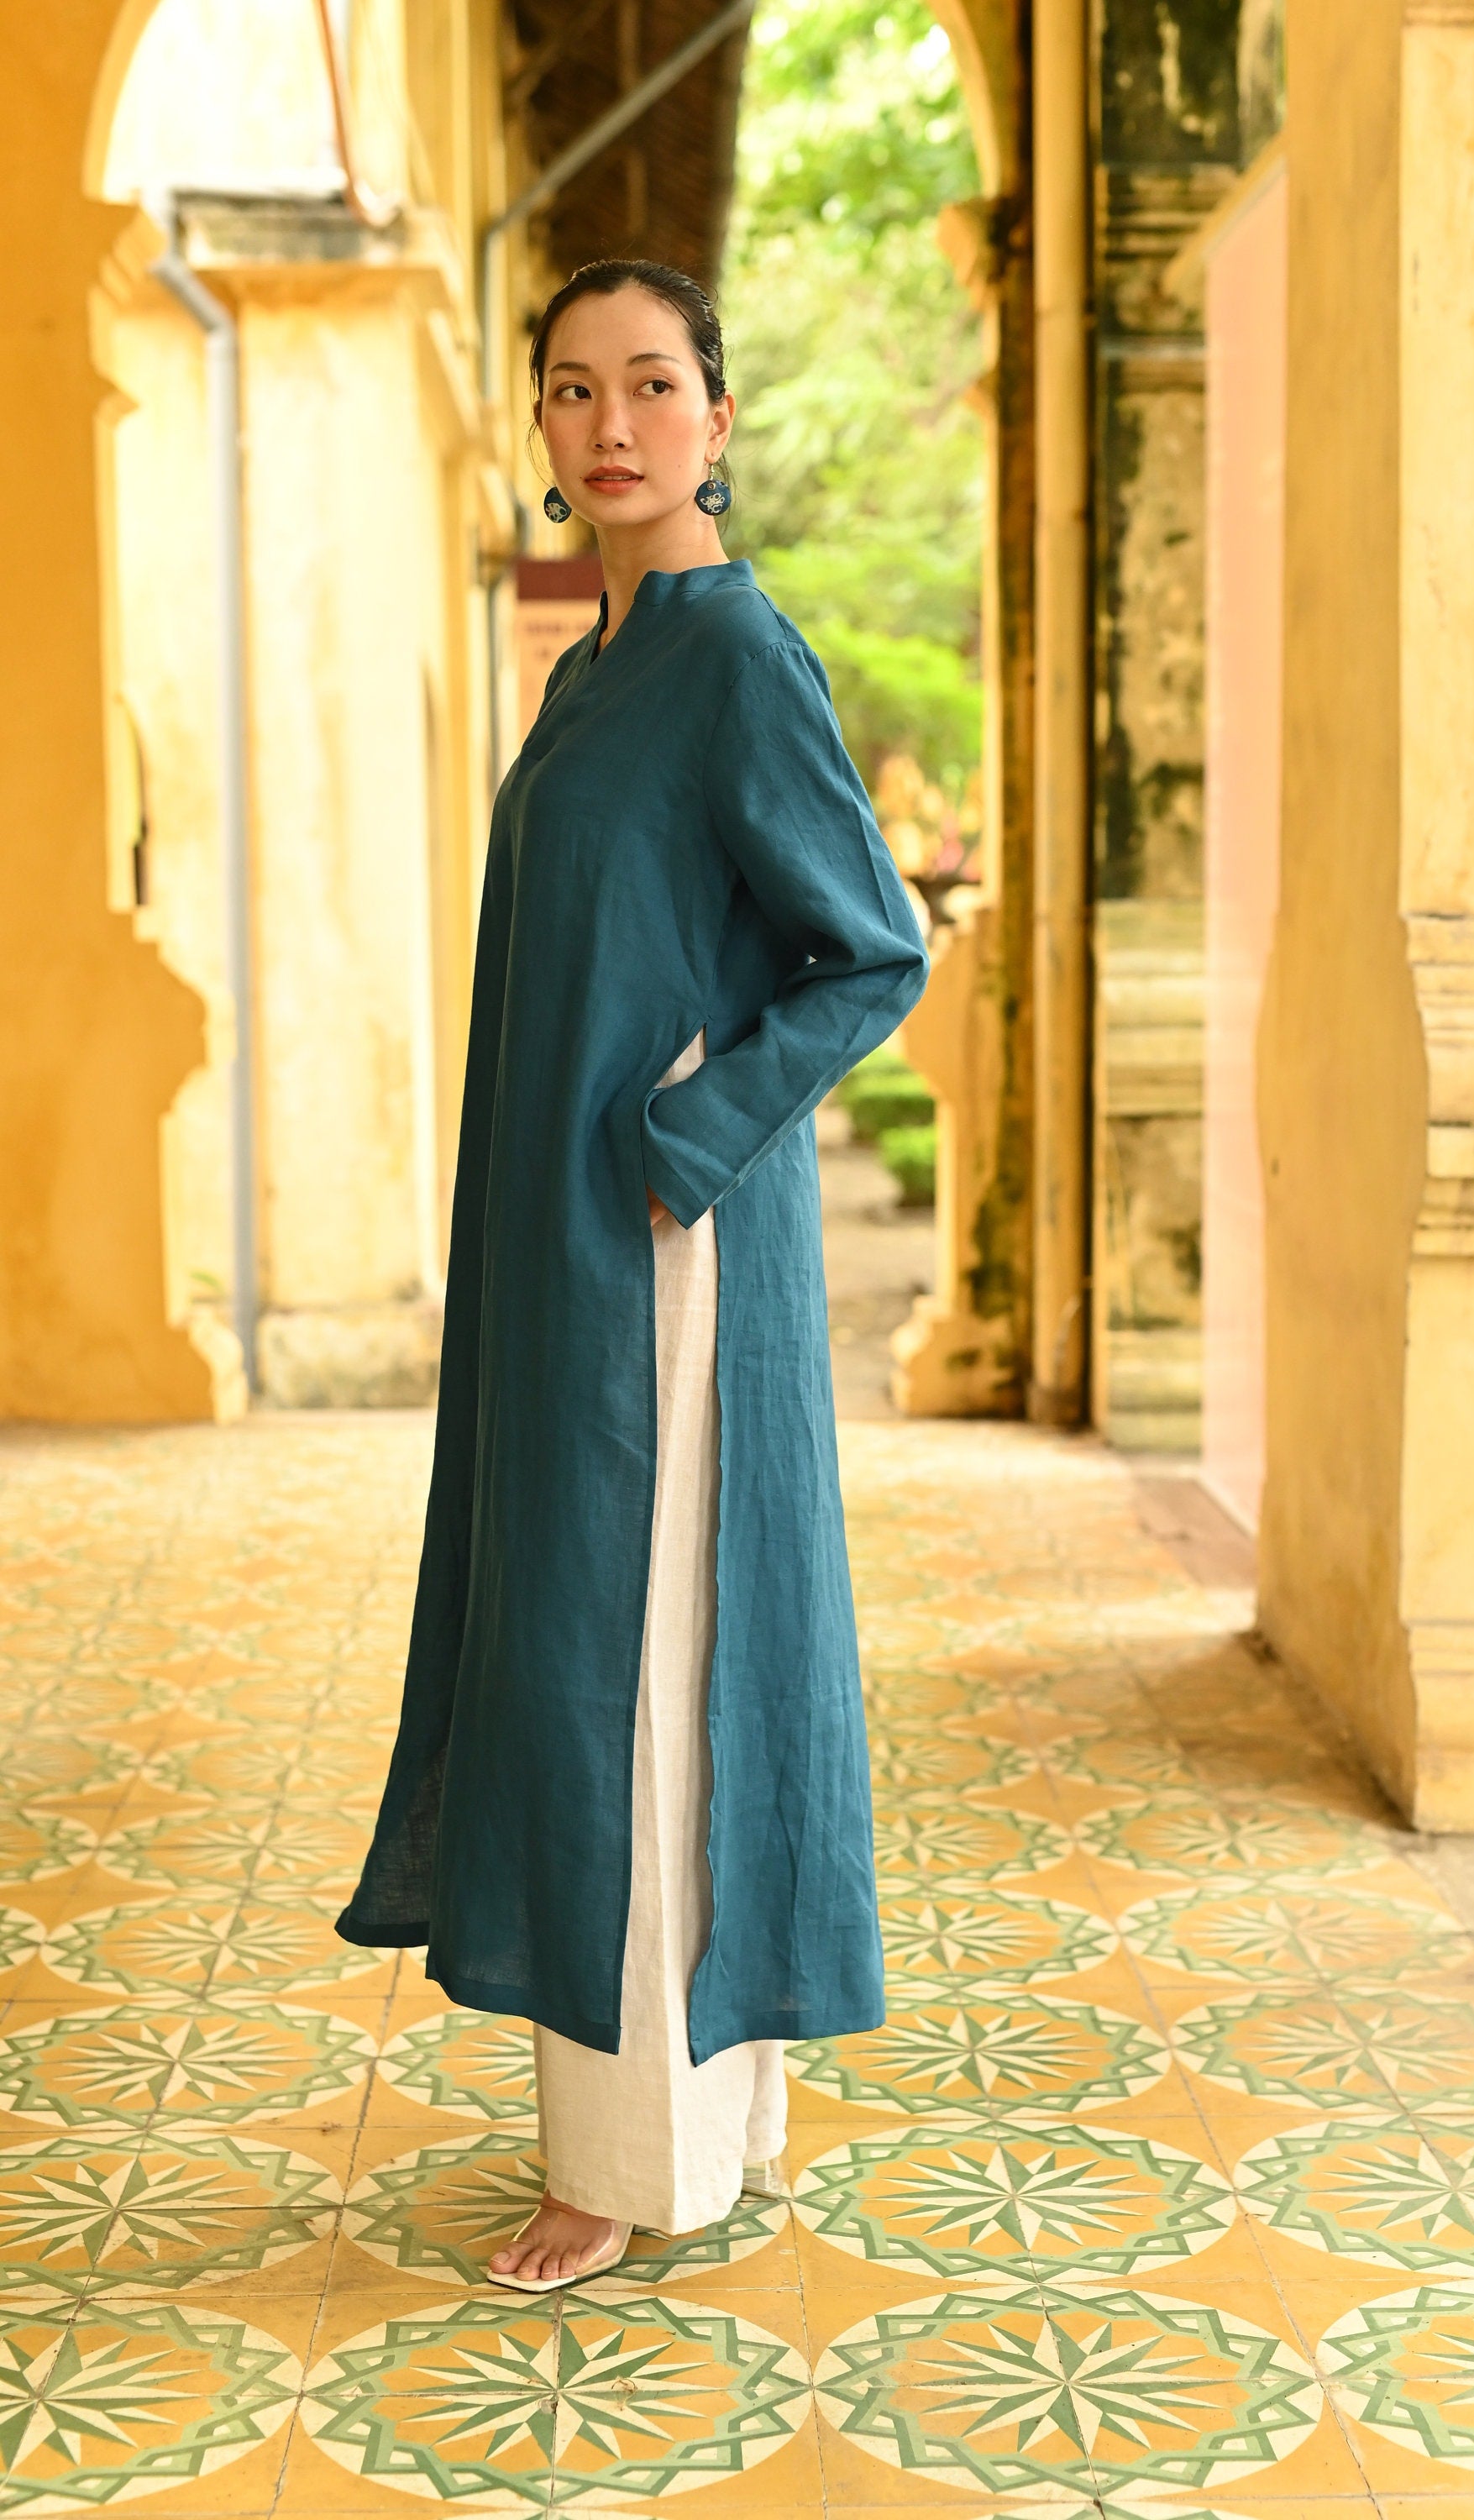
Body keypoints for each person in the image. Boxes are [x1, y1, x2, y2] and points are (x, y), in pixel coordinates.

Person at [335, 259, 930, 2289]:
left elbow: (870, 949)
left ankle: (627, 2158)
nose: (611, 424)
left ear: (715, 418)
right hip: (568, 1253)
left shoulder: (735, 652)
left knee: (635, 1671)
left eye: (651, 385)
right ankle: (717, 2113)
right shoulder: (596, 665)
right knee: (618, 1652)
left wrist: (682, 1141)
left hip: (659, 1254)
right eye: (573, 389)